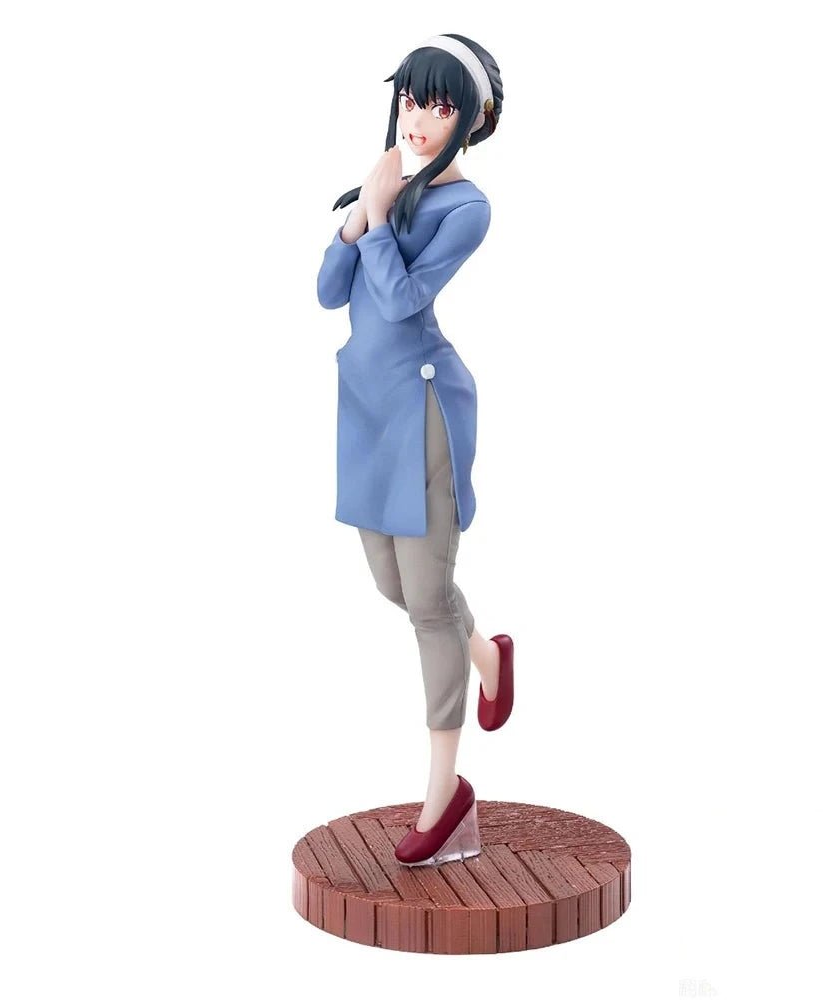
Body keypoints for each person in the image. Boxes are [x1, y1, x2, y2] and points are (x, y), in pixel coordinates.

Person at [316, 35, 515, 866]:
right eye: (411, 99)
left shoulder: (466, 208)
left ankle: (446, 794)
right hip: (366, 410)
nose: (420, 118)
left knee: (428, 601)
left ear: (471, 120)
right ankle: (489, 656)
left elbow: (400, 301)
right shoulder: (387, 183)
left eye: (440, 106)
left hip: (425, 406)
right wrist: (363, 212)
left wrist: (375, 214)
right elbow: (328, 292)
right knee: (393, 584)